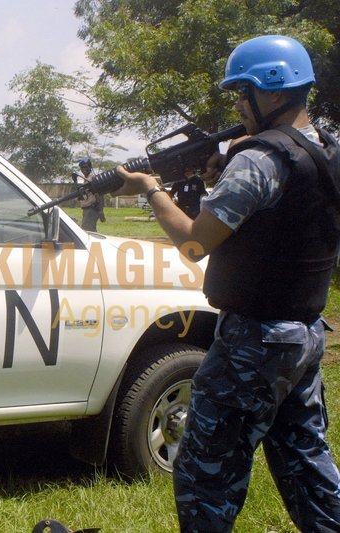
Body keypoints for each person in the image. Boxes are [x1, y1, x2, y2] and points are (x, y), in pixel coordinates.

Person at [115, 35, 340, 530]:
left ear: (274, 92)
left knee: (204, 472)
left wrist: (152, 191)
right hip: (303, 333)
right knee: (306, 462)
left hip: (252, 341)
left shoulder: (258, 160)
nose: (237, 104)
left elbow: (196, 243)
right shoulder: (326, 151)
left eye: (243, 92)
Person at [77, 157, 105, 231]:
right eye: (82, 168)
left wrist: (101, 211)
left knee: (87, 231)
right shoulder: (86, 179)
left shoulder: (92, 178)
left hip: (91, 209)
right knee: (90, 231)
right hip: (87, 210)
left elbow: (100, 194)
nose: (84, 170)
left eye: (86, 167)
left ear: (90, 167)